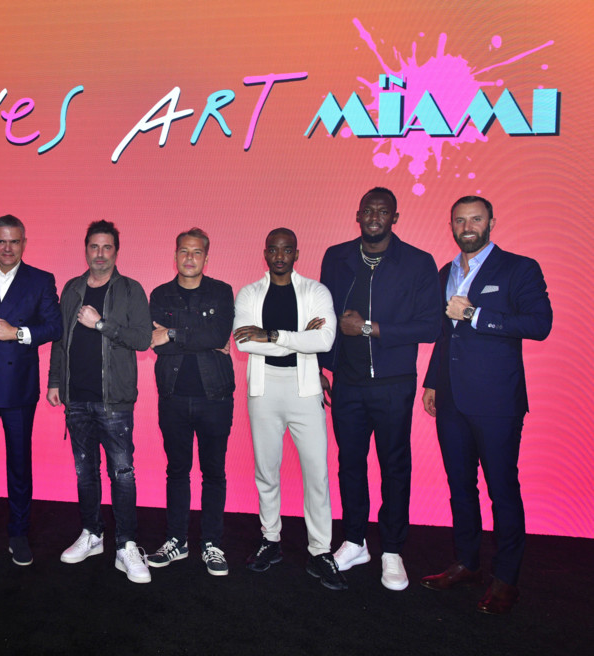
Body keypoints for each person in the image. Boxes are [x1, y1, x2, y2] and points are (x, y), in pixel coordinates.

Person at [420, 196, 552, 614]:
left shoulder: (519, 268)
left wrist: (476, 314)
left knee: (502, 490)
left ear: (491, 222)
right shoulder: (446, 272)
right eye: (460, 220)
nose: (468, 226)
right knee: (460, 487)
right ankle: (467, 563)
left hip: (496, 401)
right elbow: (445, 334)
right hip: (451, 398)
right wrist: (432, 381)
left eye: (476, 219)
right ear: (452, 226)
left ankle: (506, 580)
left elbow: (540, 324)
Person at [318, 187, 439, 591]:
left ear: (394, 218)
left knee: (394, 467)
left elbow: (430, 326)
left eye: (382, 211)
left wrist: (370, 328)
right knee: (350, 464)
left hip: (393, 384)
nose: (374, 217)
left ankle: (392, 550)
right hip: (348, 383)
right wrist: (320, 367)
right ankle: (355, 541)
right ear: (358, 215)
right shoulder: (337, 257)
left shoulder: (418, 262)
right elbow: (324, 316)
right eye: (367, 210)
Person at [234, 228, 345, 590]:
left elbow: (324, 339)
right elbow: (244, 342)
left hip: (306, 389)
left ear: (297, 254)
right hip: (264, 389)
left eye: (287, 250)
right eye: (273, 249)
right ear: (265, 253)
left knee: (317, 473)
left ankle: (320, 550)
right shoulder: (249, 293)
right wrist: (299, 338)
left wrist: (273, 335)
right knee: (266, 470)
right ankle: (271, 540)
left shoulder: (316, 291)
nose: (279, 255)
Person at [46, 220, 153, 583]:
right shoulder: (72, 289)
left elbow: (142, 339)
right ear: (86, 249)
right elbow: (60, 339)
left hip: (114, 402)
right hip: (76, 399)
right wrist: (55, 381)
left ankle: (126, 544)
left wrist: (101, 324)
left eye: (107, 247)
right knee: (84, 472)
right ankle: (92, 534)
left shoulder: (131, 289)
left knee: (122, 474)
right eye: (94, 246)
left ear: (116, 252)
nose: (100, 254)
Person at [0, 215, 61, 566]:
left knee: (19, 463)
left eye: (14, 241)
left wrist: (18, 333)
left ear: (24, 243)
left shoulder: (41, 279)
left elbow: (54, 327)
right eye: (1, 241)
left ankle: (18, 532)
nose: (7, 248)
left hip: (19, 386)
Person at [146, 228, 235, 576]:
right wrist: (198, 337)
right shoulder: (160, 294)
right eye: (184, 251)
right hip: (173, 397)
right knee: (177, 471)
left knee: (214, 473)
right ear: (175, 256)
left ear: (206, 258)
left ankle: (212, 543)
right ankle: (176, 541)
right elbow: (156, 345)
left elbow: (218, 334)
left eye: (197, 252)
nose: (189, 258)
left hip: (215, 398)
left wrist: (172, 332)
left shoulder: (221, 291)